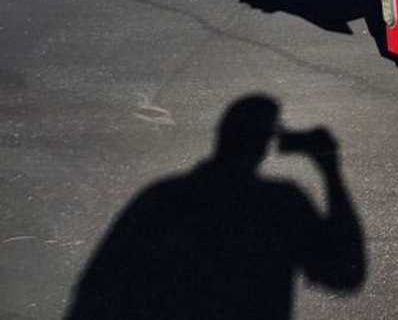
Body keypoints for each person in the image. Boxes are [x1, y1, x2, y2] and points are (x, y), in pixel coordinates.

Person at [66, 95, 365, 320]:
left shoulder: (161, 198)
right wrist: (330, 170)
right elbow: (346, 273)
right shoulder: (281, 203)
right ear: (266, 145)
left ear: (221, 135)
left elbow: (96, 292)